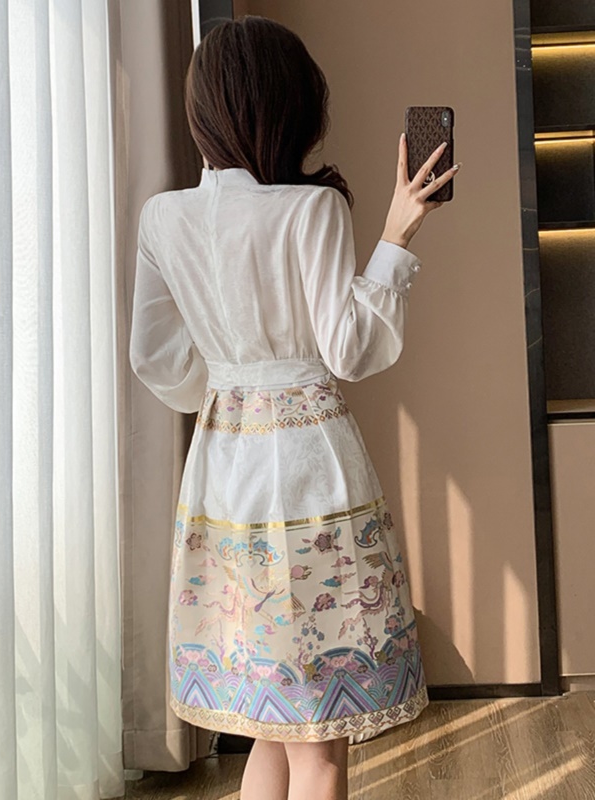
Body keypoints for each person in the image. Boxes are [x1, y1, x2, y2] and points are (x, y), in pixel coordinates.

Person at [129, 14, 461, 800]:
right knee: (321, 739)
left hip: (222, 474)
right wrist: (398, 235)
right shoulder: (311, 210)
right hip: (312, 478)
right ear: (292, 107)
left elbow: (157, 358)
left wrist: (226, 385)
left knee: (272, 726)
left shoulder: (163, 218)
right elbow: (350, 349)